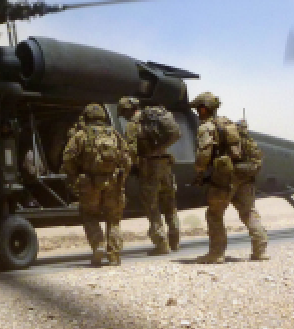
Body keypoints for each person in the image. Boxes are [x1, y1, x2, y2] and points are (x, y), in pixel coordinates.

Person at [190, 92, 269, 264]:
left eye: (198, 109)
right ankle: (260, 250)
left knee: (214, 215)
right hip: (244, 174)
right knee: (248, 212)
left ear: (204, 109)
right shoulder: (230, 124)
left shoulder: (207, 127)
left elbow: (204, 154)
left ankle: (216, 254)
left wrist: (199, 171)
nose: (197, 112)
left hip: (224, 178)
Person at [62, 103, 132, 267]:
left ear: (86, 117)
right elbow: (127, 159)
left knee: (89, 215)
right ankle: (114, 254)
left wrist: (75, 176)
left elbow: (67, 159)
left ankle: (98, 245)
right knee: (113, 219)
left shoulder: (80, 135)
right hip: (113, 181)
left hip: (89, 182)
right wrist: (122, 176)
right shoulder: (114, 134)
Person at [118, 97, 179, 254]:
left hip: (149, 167)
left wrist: (130, 167)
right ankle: (175, 240)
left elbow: (131, 150)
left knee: (152, 205)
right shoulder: (153, 118)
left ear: (127, 111)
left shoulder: (133, 125)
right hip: (165, 164)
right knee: (169, 202)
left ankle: (161, 243)